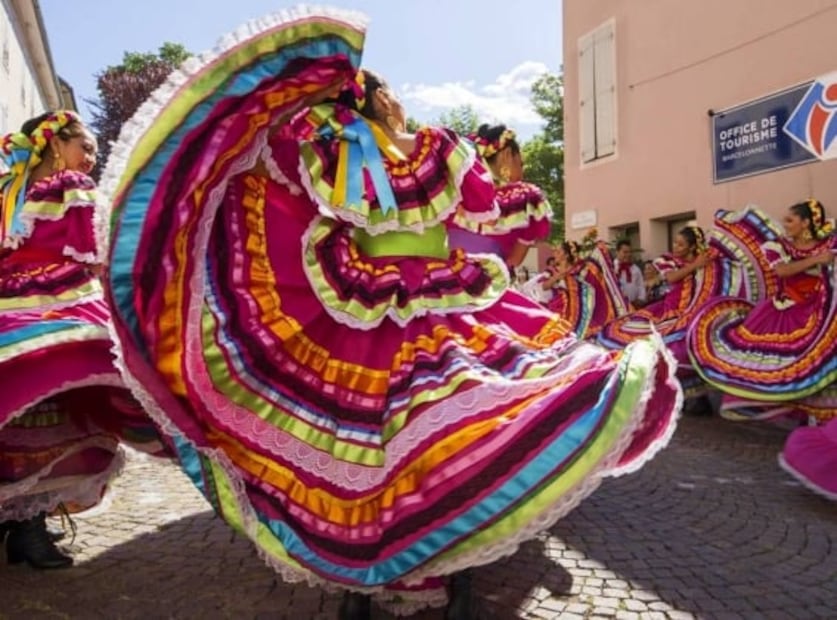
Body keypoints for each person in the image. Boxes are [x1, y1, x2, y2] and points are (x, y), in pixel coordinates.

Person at [99, 10, 681, 618]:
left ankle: (416, 579)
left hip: (413, 302)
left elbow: (479, 214)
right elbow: (479, 210)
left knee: (400, 445)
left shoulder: (390, 152)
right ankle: (395, 580)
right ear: (378, 98)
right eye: (385, 88)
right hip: (377, 303)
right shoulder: (364, 150)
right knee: (401, 443)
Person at [0, 111, 163, 569]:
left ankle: (25, 527)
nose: (90, 158)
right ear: (56, 146)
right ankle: (25, 531)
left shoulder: (9, 191)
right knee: (58, 412)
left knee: (29, 414)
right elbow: (100, 250)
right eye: (85, 146)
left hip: (23, 314)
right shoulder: (67, 186)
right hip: (57, 310)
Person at [687, 200, 836, 421]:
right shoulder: (778, 246)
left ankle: (817, 416)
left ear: (806, 223)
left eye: (790, 220)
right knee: (782, 365)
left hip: (822, 310)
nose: (785, 224)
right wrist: (816, 261)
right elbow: (783, 271)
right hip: (787, 311)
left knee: (820, 362)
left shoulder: (829, 243)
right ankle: (799, 413)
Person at [598, 225, 741, 401]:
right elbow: (672, 277)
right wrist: (695, 265)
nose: (675, 246)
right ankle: (661, 387)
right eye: (675, 242)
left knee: (693, 345)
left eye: (681, 244)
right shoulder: (668, 260)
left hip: (692, 310)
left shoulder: (704, 261)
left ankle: (693, 393)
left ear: (692, 247)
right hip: (669, 311)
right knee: (655, 343)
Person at [447, 123, 552, 269]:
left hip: (442, 280)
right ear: (507, 154)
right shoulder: (526, 200)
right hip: (487, 284)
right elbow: (513, 261)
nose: (522, 174)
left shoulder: (451, 190)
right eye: (520, 164)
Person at [613, 239, 645, 306]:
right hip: (616, 307)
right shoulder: (611, 268)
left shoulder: (636, 269)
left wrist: (641, 299)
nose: (628, 254)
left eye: (630, 252)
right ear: (617, 252)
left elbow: (641, 286)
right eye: (625, 252)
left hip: (634, 306)